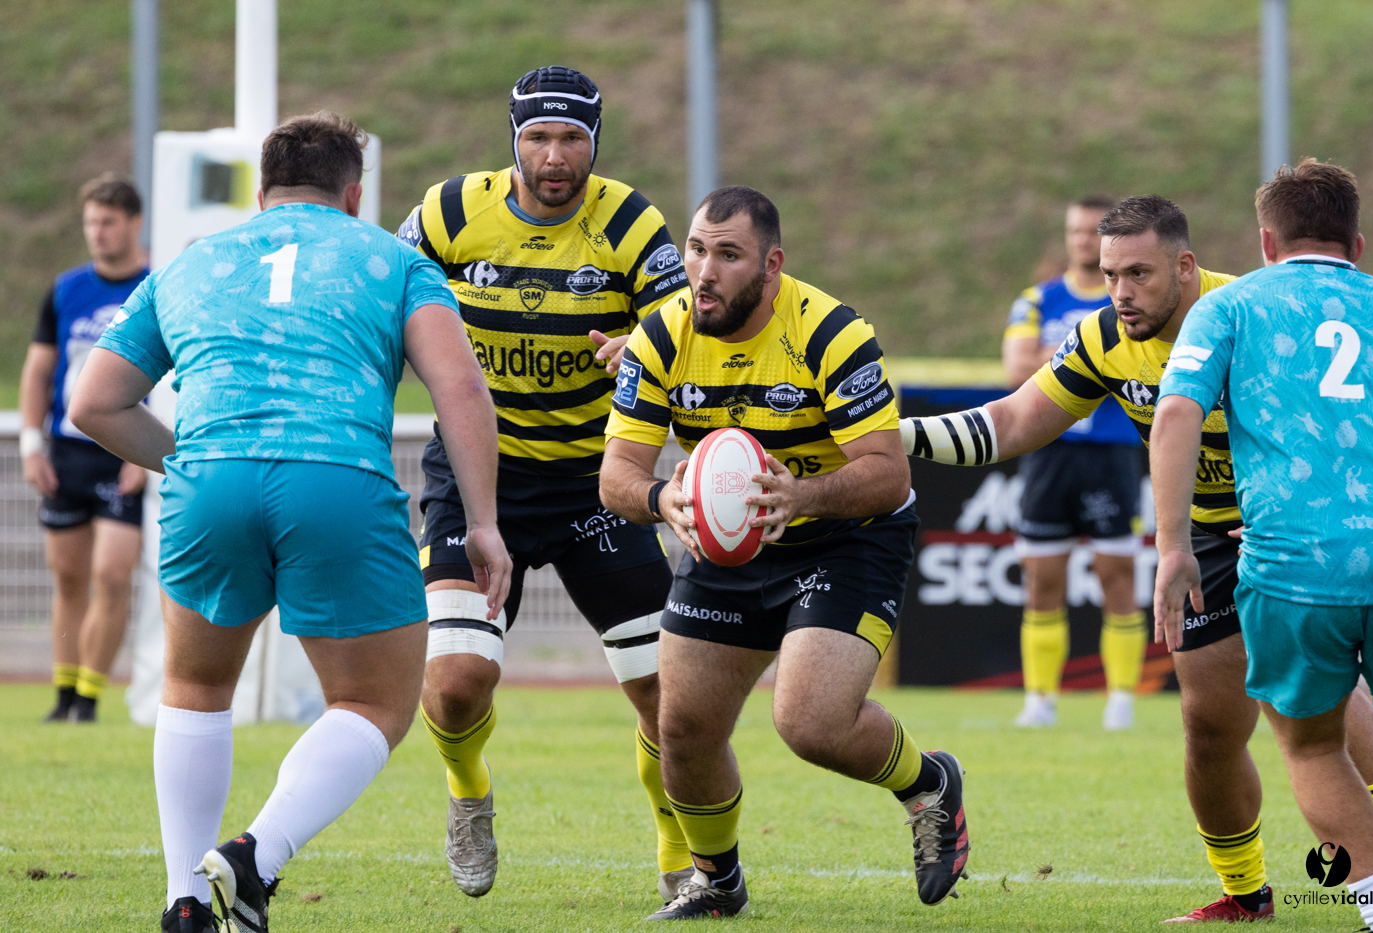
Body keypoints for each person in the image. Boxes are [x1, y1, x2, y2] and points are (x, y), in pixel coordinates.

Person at [902, 194, 1373, 923]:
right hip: (1202, 538)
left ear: (1185, 265)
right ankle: (1245, 892)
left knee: (1324, 708)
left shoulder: (1250, 307)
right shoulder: (1105, 335)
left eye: (1138, 273)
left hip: (1292, 529)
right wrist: (893, 432)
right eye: (1109, 274)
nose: (1120, 293)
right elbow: (1012, 420)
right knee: (1208, 727)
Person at [68, 112, 509, 933]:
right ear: (353, 194)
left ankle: (185, 901)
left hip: (211, 480)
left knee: (195, 688)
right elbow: (460, 392)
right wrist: (482, 522)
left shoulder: (192, 263)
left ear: (261, 192)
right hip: (335, 477)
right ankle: (252, 857)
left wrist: (187, 462)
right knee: (375, 702)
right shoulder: (394, 259)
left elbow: (93, 401)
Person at [601, 186, 970, 920]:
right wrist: (661, 501)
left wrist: (799, 496)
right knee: (682, 727)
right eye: (696, 250)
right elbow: (617, 474)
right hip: (730, 543)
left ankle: (928, 783)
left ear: (771, 266)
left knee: (809, 721)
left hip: (846, 532)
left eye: (728, 255)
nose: (704, 271)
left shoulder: (832, 332)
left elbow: (887, 471)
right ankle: (717, 880)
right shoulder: (660, 336)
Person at [396, 65, 692, 900]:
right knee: (455, 687)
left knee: (662, 694)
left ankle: (679, 859)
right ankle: (467, 790)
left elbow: (688, 330)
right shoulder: (450, 211)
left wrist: (643, 344)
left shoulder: (633, 223)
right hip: (475, 476)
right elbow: (380, 298)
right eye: (538, 138)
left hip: (598, 480)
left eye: (572, 139)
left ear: (596, 143)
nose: (554, 156)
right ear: (512, 140)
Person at [1154, 159, 1373, 933]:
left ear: (1267, 240)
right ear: (1357, 243)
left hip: (1294, 565)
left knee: (1314, 745)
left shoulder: (1229, 307)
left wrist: (1172, 546)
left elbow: (1176, 417)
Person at [1001, 196, 1146, 730]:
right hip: (1049, 454)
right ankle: (1039, 700)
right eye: (1076, 231)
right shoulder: (1038, 299)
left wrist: (1058, 354)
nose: (1082, 240)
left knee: (1118, 576)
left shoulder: (1129, 300)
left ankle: (1122, 700)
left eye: (1092, 232)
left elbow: (1143, 354)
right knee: (1042, 580)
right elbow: (1016, 367)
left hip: (1113, 451)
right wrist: (1097, 351)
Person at [20, 174, 149, 722]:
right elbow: (38, 371)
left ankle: (92, 696)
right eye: (91, 222)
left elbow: (168, 379)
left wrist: (142, 454)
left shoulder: (154, 285)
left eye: (108, 222)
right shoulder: (66, 288)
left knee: (112, 574)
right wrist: (31, 445)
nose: (97, 233)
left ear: (134, 223)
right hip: (67, 449)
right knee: (68, 577)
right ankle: (65, 694)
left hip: (122, 449)